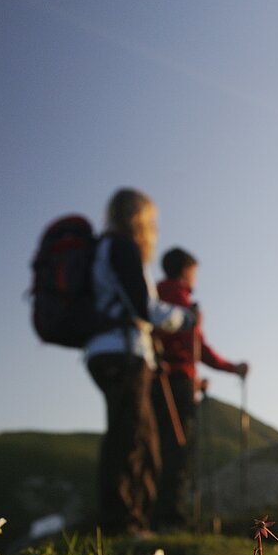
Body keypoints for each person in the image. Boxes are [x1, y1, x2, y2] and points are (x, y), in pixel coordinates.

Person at [85, 189, 198, 536]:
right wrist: (186, 319)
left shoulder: (103, 249)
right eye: (152, 221)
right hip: (124, 352)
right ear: (140, 218)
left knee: (138, 437)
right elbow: (144, 308)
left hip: (106, 349)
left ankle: (131, 521)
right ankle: (123, 525)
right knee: (132, 439)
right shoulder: (122, 247)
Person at [151, 247, 248, 531]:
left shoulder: (156, 294)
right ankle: (170, 516)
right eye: (194, 271)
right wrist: (233, 368)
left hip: (161, 378)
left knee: (159, 445)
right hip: (176, 381)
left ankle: (156, 512)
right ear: (185, 270)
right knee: (178, 448)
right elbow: (199, 348)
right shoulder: (180, 301)